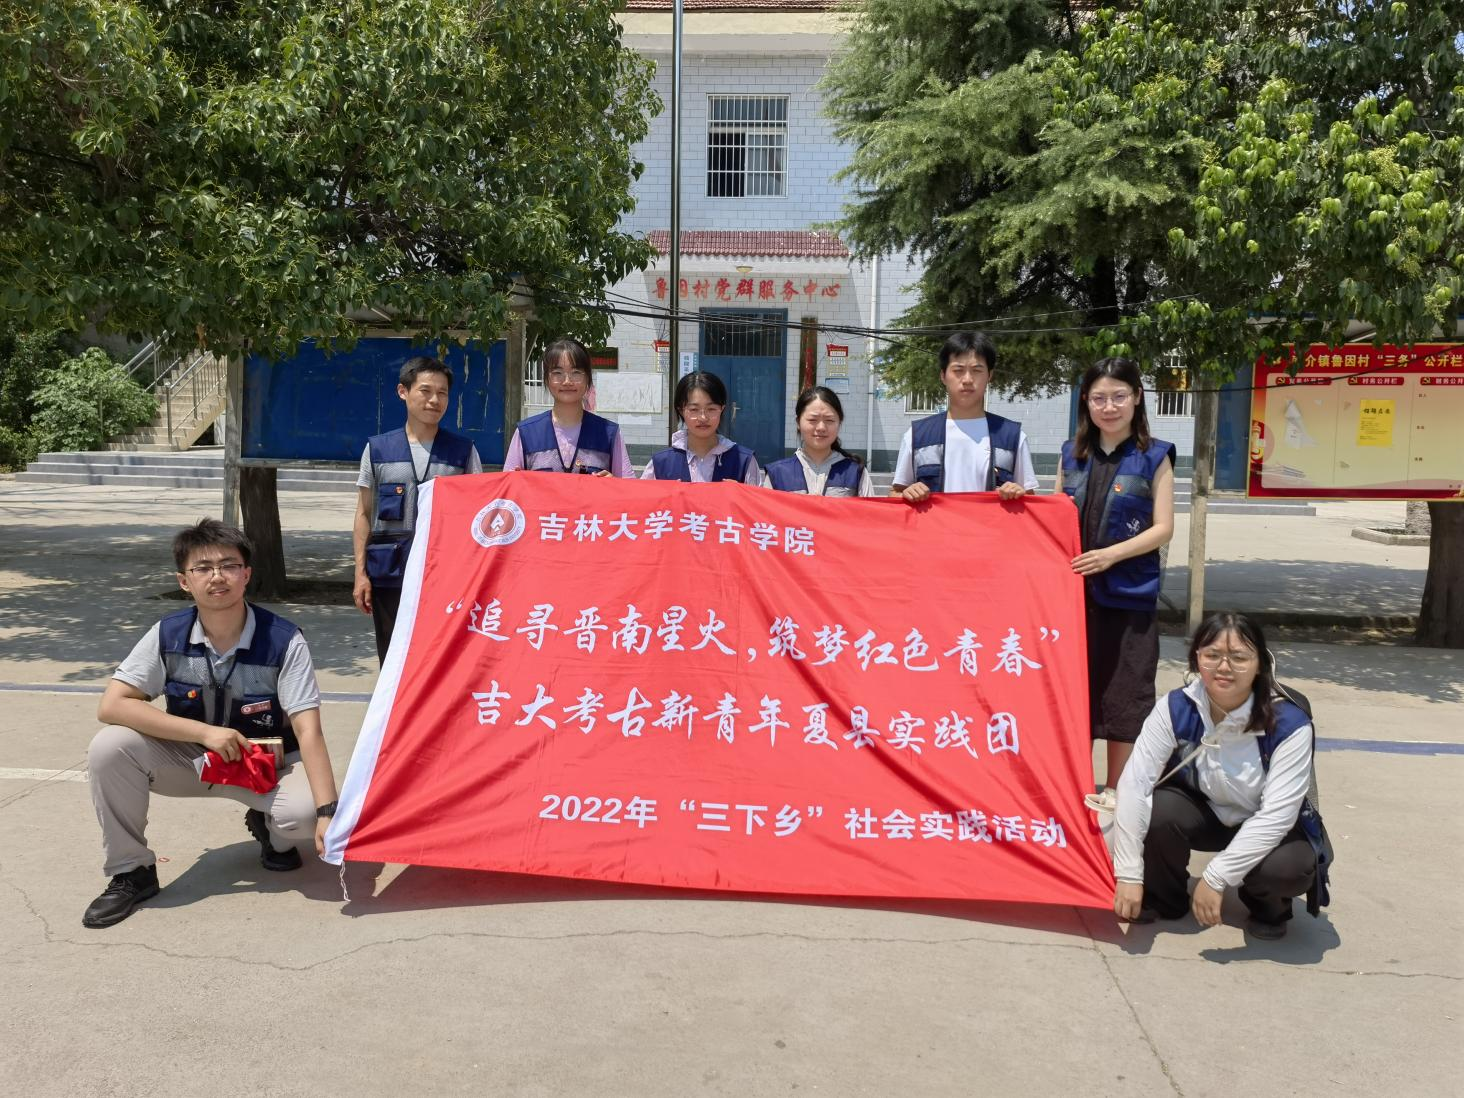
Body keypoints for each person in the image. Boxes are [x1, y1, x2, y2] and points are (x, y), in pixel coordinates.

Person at [83, 520, 340, 928]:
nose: (217, 576)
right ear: (184, 581)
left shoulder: (284, 640)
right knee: (109, 747)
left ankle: (271, 831)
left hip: (266, 767)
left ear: (246, 574)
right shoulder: (167, 634)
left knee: (303, 818)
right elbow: (112, 705)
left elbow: (308, 729)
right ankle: (132, 871)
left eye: (228, 565)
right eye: (202, 568)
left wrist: (328, 812)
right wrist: (204, 733)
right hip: (192, 762)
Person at [1111, 612, 1332, 939]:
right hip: (1207, 810)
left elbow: (1278, 815)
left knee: (1289, 868)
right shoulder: (1174, 706)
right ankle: (1164, 897)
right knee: (1158, 810)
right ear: (1196, 659)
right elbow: (1135, 783)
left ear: (1261, 664)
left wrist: (1215, 877)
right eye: (1212, 655)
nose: (1224, 667)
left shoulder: (1290, 723)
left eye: (1239, 657)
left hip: (1269, 822)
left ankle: (1266, 906)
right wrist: (1129, 873)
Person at [1059, 357, 1175, 796]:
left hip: (1130, 597)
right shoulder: (1072, 454)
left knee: (1126, 694)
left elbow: (1163, 528)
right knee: (1075, 692)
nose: (1109, 407)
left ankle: (1115, 790)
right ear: (1086, 403)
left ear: (1137, 398)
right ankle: (1074, 786)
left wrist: (1110, 556)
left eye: (1119, 396)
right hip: (1074, 599)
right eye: (1099, 398)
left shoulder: (1155, 456)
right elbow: (1055, 518)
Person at [353, 355, 482, 663]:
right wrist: (360, 574)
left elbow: (478, 518)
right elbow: (363, 513)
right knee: (392, 659)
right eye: (425, 390)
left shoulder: (463, 452)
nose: (434, 400)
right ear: (403, 391)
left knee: (439, 661)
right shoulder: (378, 449)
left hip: (445, 576)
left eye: (442, 393)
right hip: (389, 574)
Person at [891, 331, 1039, 503]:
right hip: (937, 522)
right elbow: (894, 494)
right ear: (943, 376)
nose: (967, 379)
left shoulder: (1012, 436)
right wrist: (907, 493)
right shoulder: (917, 434)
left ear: (989, 375)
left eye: (977, 370)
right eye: (958, 370)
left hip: (990, 522)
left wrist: (1017, 494)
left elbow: (1030, 500)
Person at [502, 338, 633, 477]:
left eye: (576, 372)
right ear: (547, 379)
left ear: (588, 379)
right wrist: (514, 481)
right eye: (557, 373)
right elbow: (506, 487)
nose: (567, 381)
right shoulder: (526, 433)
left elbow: (630, 487)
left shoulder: (609, 433)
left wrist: (614, 483)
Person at [642, 370, 762, 484]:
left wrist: (741, 493)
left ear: (722, 409)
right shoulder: (660, 463)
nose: (703, 418)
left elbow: (757, 499)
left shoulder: (744, 461)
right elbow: (643, 497)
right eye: (694, 409)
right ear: (681, 411)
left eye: (711, 409)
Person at [763, 386, 876, 497]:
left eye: (829, 420)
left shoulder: (856, 471)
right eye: (812, 420)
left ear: (839, 423)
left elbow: (869, 509)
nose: (821, 427)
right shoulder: (777, 474)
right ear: (798, 422)